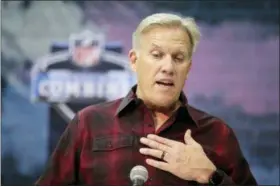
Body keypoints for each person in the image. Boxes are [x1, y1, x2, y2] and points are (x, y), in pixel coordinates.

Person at [35, 13, 257, 185]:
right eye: (157, 55)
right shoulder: (88, 123)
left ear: (188, 69)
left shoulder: (217, 133)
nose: (168, 67)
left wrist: (210, 176)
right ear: (134, 60)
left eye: (178, 58)